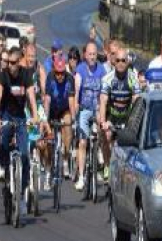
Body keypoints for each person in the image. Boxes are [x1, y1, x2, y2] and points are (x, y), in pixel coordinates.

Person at [0, 46, 40, 214]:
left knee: (25, 153)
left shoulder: (26, 74)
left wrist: (34, 116)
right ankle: (3, 166)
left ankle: (23, 187)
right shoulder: (2, 75)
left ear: (19, 61)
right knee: (4, 142)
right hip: (6, 115)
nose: (11, 66)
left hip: (20, 117)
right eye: (9, 62)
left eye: (14, 63)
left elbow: (31, 97)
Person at [98, 44, 140, 182]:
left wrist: (134, 124)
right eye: (118, 61)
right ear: (113, 62)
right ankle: (107, 165)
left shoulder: (133, 78)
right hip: (112, 116)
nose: (121, 63)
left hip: (127, 118)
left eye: (123, 61)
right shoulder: (107, 79)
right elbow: (103, 101)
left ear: (128, 62)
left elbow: (137, 103)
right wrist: (103, 122)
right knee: (107, 135)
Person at [73, 41, 106, 192]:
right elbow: (77, 90)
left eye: (94, 54)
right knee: (82, 142)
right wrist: (76, 108)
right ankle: (81, 176)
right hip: (85, 109)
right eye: (90, 54)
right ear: (85, 55)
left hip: (98, 108)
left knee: (102, 126)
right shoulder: (80, 69)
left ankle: (99, 150)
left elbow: (105, 91)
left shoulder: (102, 70)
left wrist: (102, 109)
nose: (92, 57)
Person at [43, 53, 76, 186]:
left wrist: (73, 118)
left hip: (64, 109)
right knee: (48, 143)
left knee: (67, 125)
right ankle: (48, 170)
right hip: (52, 111)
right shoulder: (50, 78)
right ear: (54, 71)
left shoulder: (70, 79)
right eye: (57, 73)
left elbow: (71, 100)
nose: (60, 76)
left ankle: (66, 158)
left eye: (62, 73)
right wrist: (45, 118)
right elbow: (47, 100)